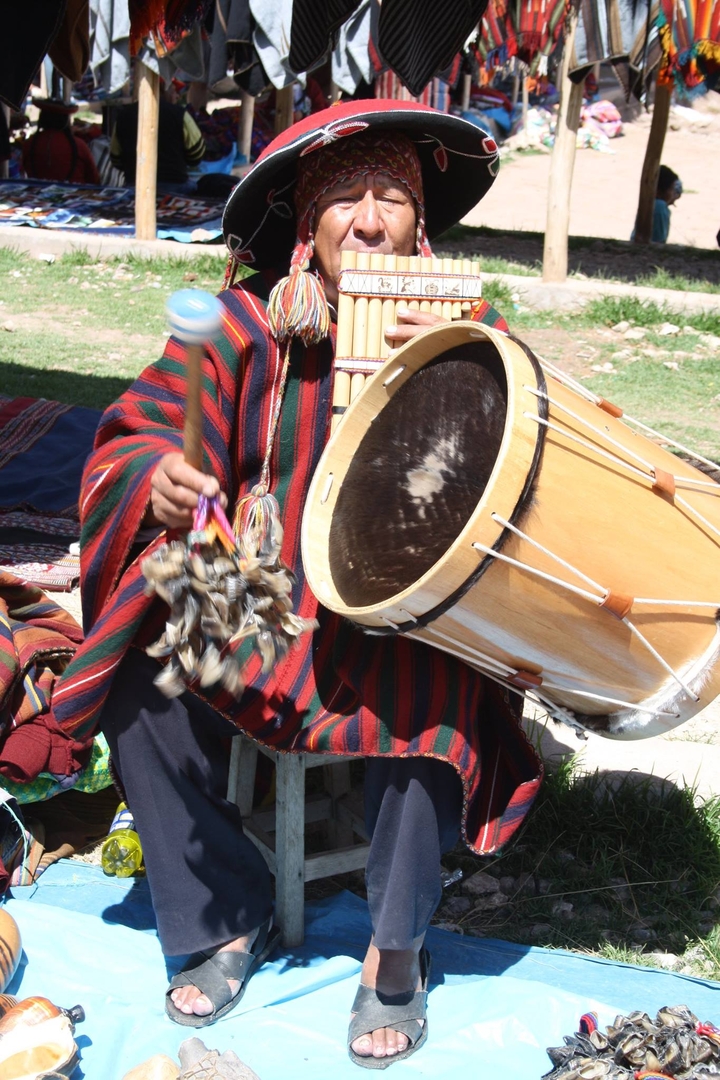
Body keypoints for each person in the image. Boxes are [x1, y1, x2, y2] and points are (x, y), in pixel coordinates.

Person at [63, 100, 542, 1068]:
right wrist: (157, 477)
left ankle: (394, 947)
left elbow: (534, 444)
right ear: (310, 223)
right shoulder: (247, 326)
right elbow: (146, 419)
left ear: (420, 225)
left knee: (435, 671)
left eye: (393, 200)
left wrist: (473, 366)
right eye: (345, 199)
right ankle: (221, 911)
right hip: (267, 599)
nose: (369, 221)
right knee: (141, 645)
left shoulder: (463, 327)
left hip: (400, 608)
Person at [110, 80, 205, 193]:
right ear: (164, 89)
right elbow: (197, 154)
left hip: (134, 187)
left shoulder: (123, 115)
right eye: (174, 91)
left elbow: (116, 159)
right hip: (175, 186)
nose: (178, 96)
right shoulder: (179, 114)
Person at [21, 98, 100, 184]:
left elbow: (23, 171)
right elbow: (94, 180)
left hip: (37, 194)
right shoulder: (79, 145)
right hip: (74, 195)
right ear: (66, 121)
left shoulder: (29, 144)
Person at [651, 164, 682, 243]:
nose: (673, 194)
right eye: (672, 189)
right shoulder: (659, 206)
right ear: (658, 191)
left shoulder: (653, 205)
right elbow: (658, 242)